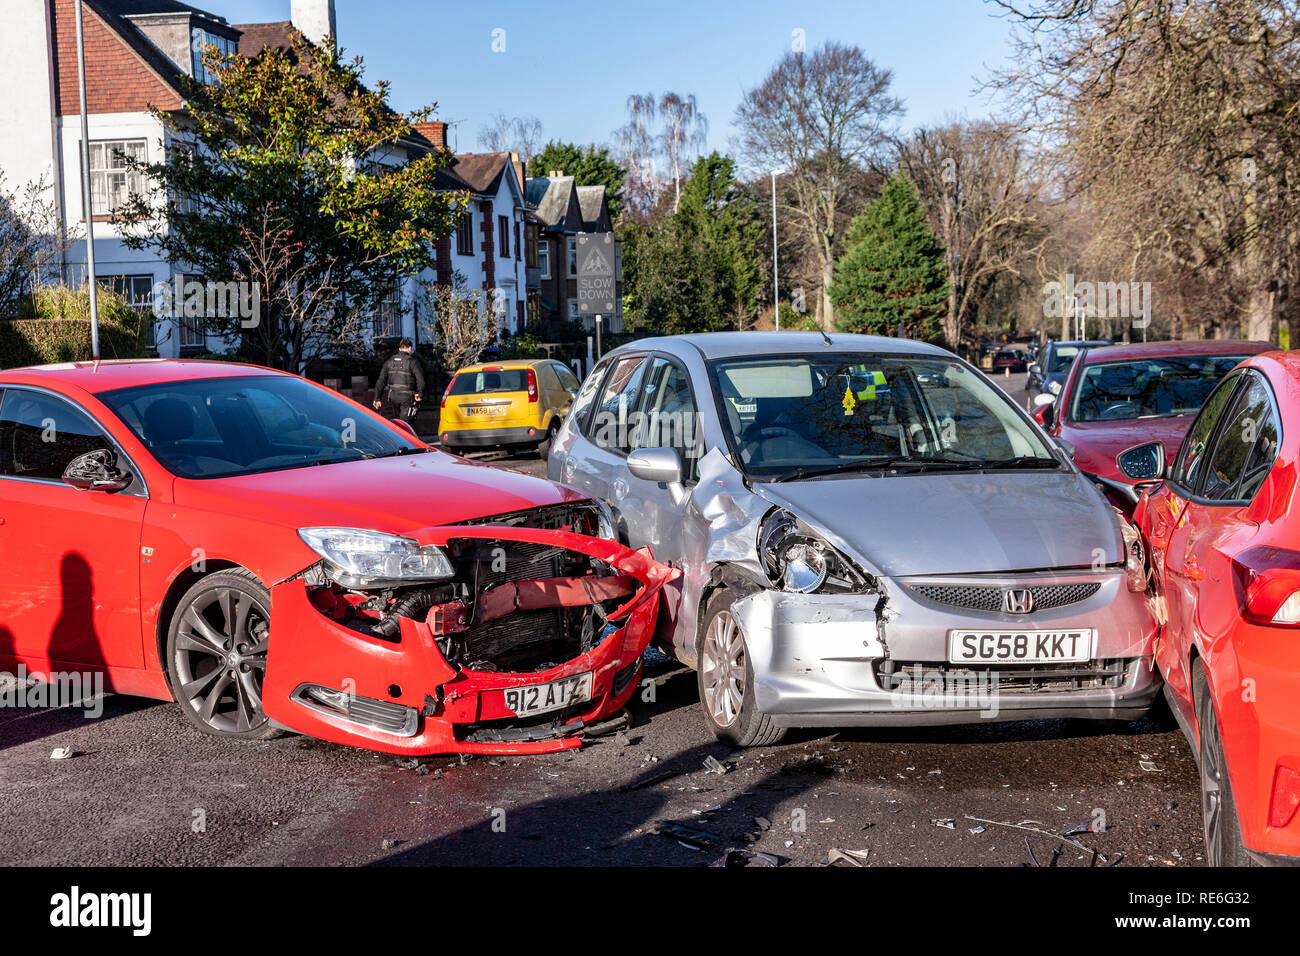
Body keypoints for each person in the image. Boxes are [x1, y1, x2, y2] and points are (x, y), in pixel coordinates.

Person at [373, 339, 425, 423]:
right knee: (406, 425)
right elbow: (421, 380)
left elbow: (381, 380)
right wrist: (420, 394)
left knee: (396, 423)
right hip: (407, 397)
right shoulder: (412, 362)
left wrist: (377, 398)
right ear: (410, 348)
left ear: (399, 348)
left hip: (393, 397)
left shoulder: (389, 361)